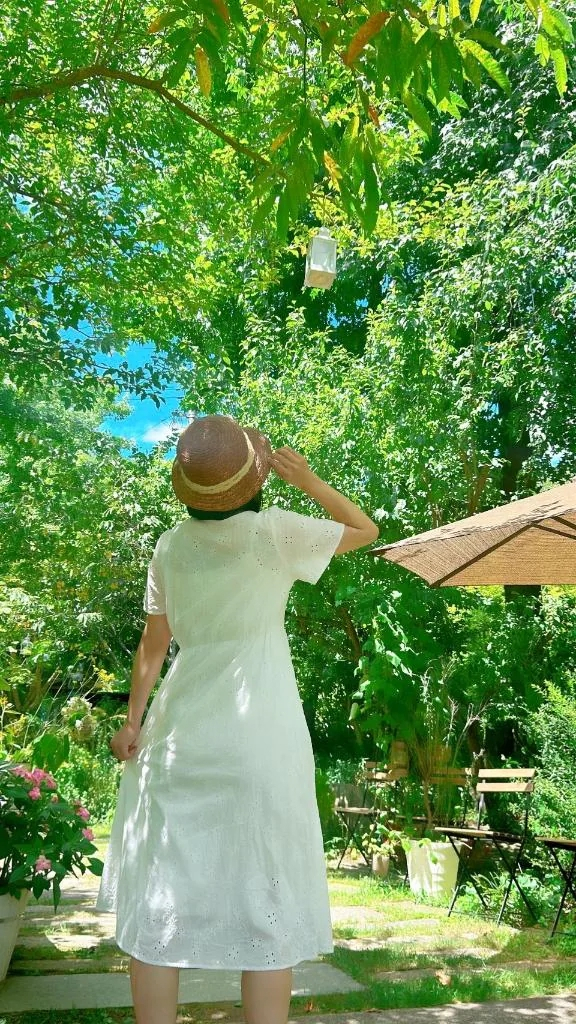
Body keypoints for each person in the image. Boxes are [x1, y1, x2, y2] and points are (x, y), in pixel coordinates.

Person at [95, 414, 379, 1024]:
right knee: (266, 900)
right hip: (260, 736)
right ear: (252, 479)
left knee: (160, 903)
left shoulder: (171, 545)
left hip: (177, 737)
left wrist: (132, 722)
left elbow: (153, 645)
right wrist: (308, 481)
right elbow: (365, 529)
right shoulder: (272, 532)